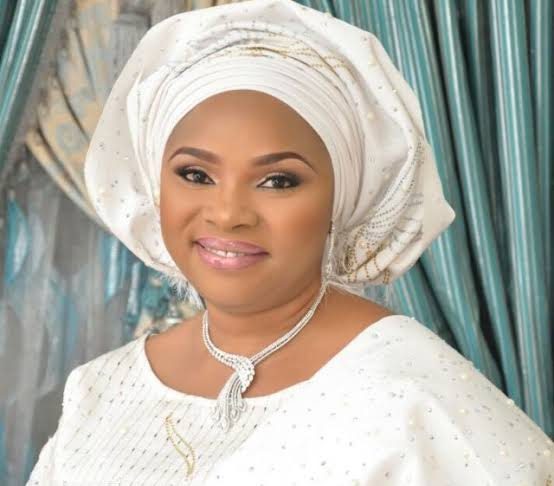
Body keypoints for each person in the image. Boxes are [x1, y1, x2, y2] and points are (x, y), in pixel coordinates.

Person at [27, 0, 553, 484]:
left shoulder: (413, 396)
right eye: (195, 174)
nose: (228, 214)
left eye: (278, 181)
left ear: (343, 199)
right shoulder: (100, 389)